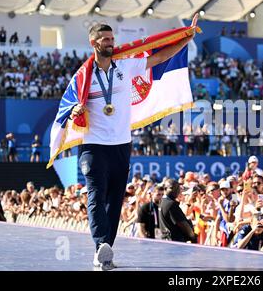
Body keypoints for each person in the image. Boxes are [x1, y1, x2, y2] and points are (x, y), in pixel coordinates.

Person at [71, 15, 199, 270]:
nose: (110, 43)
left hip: (121, 144)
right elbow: (69, 107)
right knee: (96, 194)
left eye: (112, 39)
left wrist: (186, 38)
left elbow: (160, 57)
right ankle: (100, 245)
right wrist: (75, 110)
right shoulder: (82, 76)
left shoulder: (125, 66)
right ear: (93, 42)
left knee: (115, 199)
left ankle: (105, 249)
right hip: (93, 145)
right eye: (105, 39)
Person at [159, 179, 197, 243]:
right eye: (172, 188)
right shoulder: (171, 204)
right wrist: (193, 236)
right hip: (174, 242)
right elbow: (183, 224)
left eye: (177, 188)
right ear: (165, 189)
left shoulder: (163, 201)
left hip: (167, 241)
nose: (176, 190)